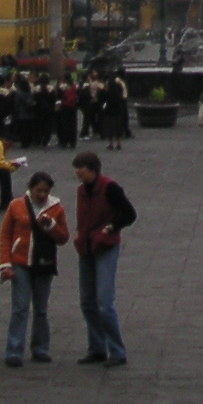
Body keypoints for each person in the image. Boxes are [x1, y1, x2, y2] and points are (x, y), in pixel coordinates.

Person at [0, 169, 70, 366]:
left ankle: (40, 348)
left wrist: (51, 226)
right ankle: (14, 350)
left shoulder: (56, 208)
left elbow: (63, 238)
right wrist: (5, 264)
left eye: (46, 191)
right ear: (30, 189)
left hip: (44, 263)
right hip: (20, 262)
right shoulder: (16, 205)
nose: (42, 195)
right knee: (20, 307)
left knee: (41, 309)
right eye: (39, 190)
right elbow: (5, 236)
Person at [71, 150, 134, 366]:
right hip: (86, 247)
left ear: (93, 169)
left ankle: (117, 350)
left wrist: (111, 228)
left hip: (104, 246)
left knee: (105, 303)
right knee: (87, 301)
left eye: (82, 170)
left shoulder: (110, 188)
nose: (78, 174)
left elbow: (129, 214)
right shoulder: (82, 191)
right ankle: (97, 347)